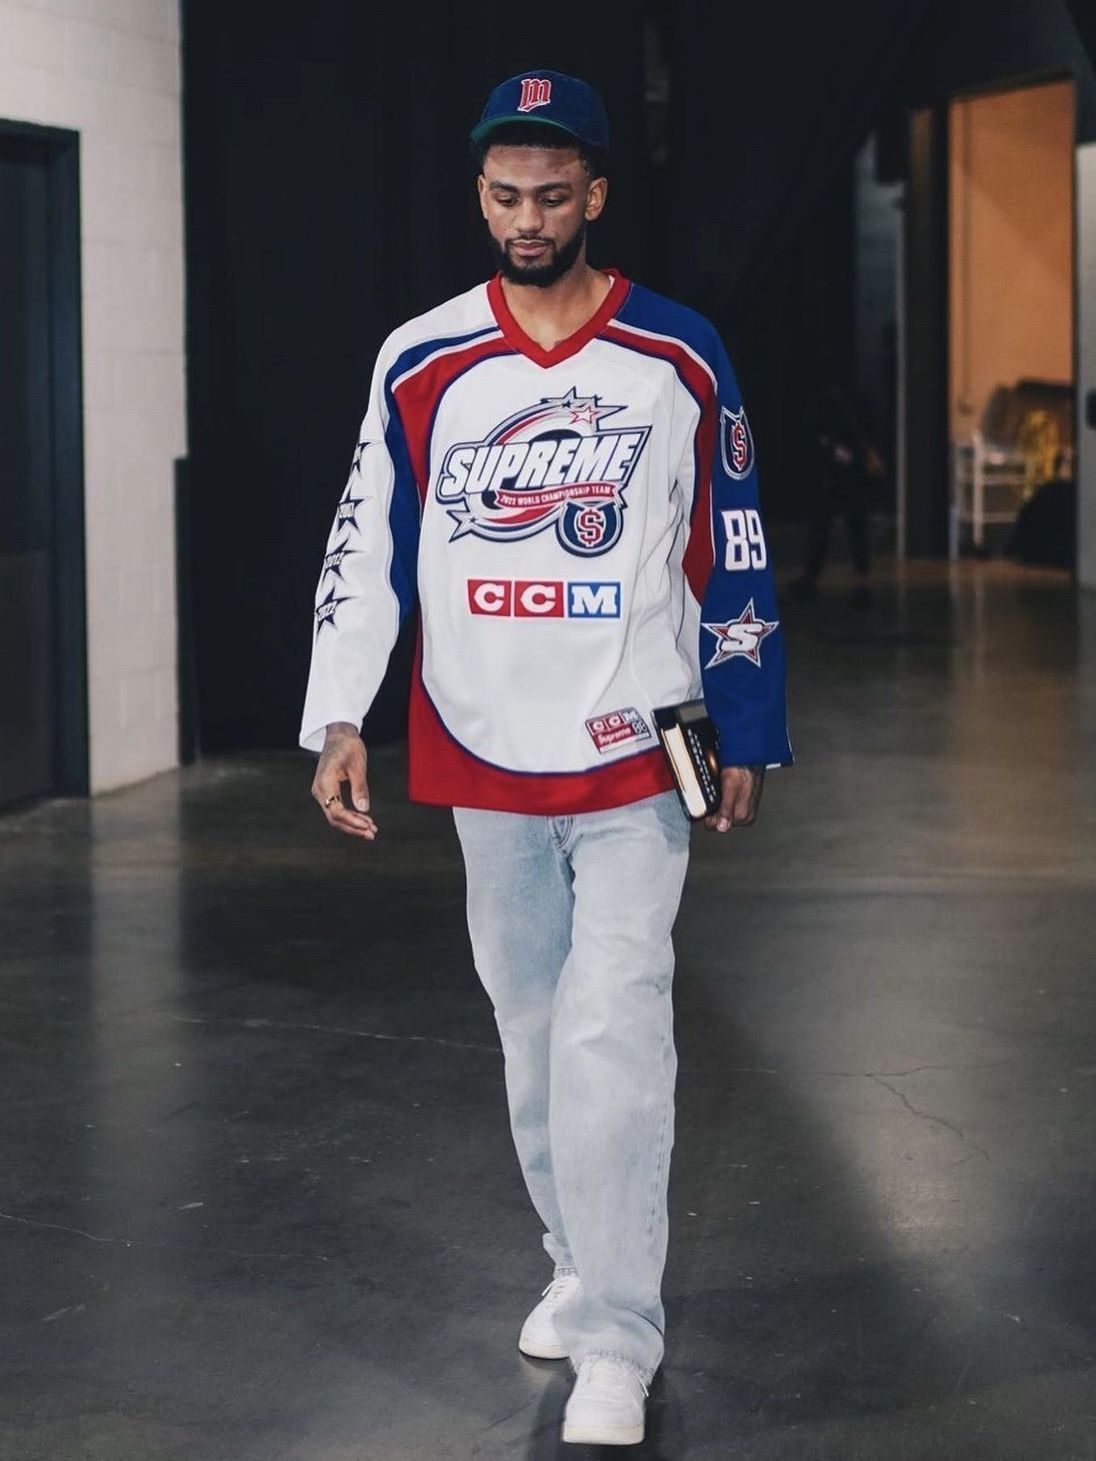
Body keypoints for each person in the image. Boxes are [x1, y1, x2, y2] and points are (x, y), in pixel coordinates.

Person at [300, 68, 792, 1448]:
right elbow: (366, 544)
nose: (529, 218)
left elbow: (731, 542)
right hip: (483, 749)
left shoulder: (678, 355)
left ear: (596, 198)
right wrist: (339, 715)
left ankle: (621, 1341)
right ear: (480, 197)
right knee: (532, 1038)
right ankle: (577, 1263)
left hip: (641, 750)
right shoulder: (422, 356)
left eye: (554, 195)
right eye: (507, 196)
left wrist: (746, 724)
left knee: (611, 1031)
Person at [789, 379, 883, 608]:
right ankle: (851, 580)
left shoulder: (837, 403)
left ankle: (850, 580)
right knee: (838, 524)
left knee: (843, 524)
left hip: (841, 467)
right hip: (840, 467)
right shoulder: (842, 402)